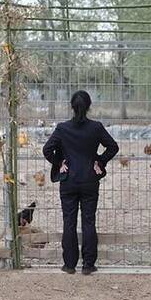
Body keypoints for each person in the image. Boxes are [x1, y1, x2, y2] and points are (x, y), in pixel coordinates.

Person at [42, 90, 119, 275]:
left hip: (68, 181)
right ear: (89, 106)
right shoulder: (96, 127)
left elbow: (47, 150)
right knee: (88, 221)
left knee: (69, 221)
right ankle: (88, 264)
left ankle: (69, 265)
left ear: (71, 107)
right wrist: (99, 162)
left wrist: (59, 163)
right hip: (89, 180)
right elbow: (113, 147)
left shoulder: (62, 128)